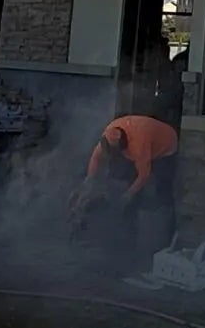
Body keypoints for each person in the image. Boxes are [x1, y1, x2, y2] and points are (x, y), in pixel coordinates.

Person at [69, 112, 179, 268]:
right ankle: (125, 236)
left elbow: (144, 175)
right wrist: (89, 181)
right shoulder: (109, 134)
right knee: (123, 177)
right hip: (140, 140)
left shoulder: (139, 145)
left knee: (161, 191)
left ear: (122, 146)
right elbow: (96, 158)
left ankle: (164, 239)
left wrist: (128, 195)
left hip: (166, 145)